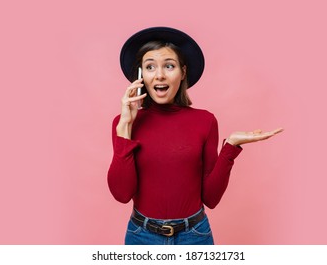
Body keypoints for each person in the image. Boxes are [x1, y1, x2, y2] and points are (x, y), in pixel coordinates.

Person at [107, 27, 283, 245]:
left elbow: (211, 198)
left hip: (194, 236)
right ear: (141, 76)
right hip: (141, 236)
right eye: (150, 66)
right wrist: (125, 125)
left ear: (182, 72)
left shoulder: (205, 121)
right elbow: (122, 194)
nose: (160, 74)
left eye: (169, 66)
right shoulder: (123, 123)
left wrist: (232, 147)